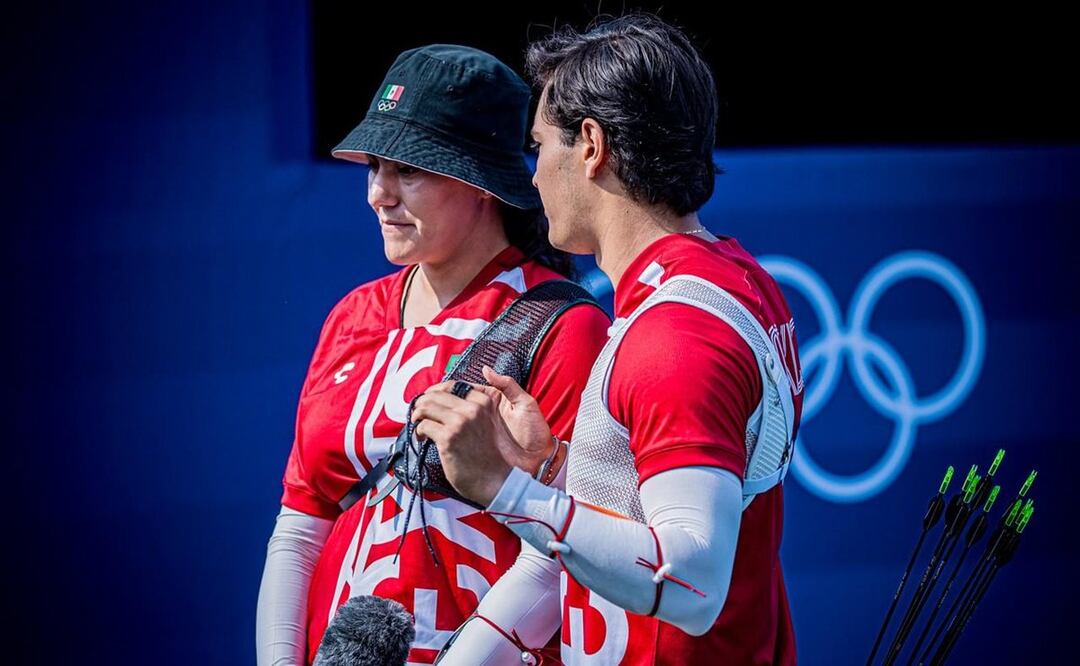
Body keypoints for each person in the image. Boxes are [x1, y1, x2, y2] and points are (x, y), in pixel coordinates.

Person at [416, 15, 804, 665]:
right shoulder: (729, 280)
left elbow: (690, 581)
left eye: (539, 147)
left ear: (591, 145)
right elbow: (643, 520)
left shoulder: (677, 336)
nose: (534, 176)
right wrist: (556, 472)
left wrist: (507, 491)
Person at [255, 43, 610, 665]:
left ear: (480, 183)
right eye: (375, 168)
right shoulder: (352, 316)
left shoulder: (563, 326)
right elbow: (300, 523)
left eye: (408, 171)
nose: (378, 194)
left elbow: (573, 548)